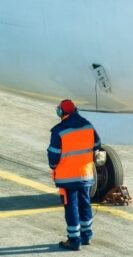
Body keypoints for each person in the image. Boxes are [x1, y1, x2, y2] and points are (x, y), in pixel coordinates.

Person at [47, 99, 102, 251]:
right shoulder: (87, 125)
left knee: (71, 207)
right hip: (85, 175)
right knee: (85, 204)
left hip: (67, 177)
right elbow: (97, 144)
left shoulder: (59, 131)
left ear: (61, 112)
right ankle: (86, 236)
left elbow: (53, 155)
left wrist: (53, 167)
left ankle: (74, 240)